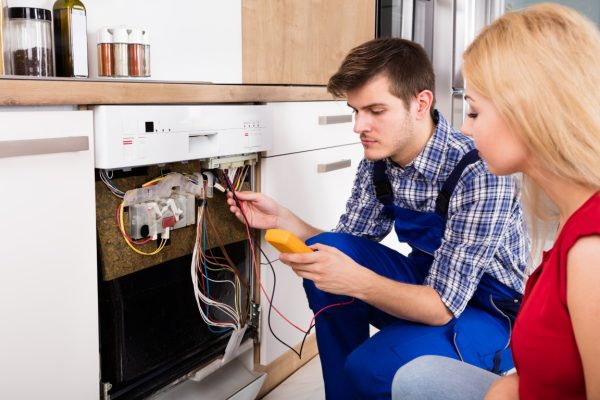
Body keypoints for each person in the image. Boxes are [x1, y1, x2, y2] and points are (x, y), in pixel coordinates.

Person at [227, 37, 530, 400]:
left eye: (375, 110)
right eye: (355, 111)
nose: (358, 126)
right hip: (428, 283)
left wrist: (358, 282)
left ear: (420, 103)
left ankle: (367, 377)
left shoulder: (479, 171)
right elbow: (345, 247)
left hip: (487, 313)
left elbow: (440, 306)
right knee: (327, 251)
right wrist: (285, 220)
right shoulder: (380, 163)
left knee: (373, 368)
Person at [391, 3, 600, 400]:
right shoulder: (570, 220)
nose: (466, 130)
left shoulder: (592, 251)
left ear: (529, 113)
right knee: (417, 377)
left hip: (481, 309)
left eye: (474, 111)